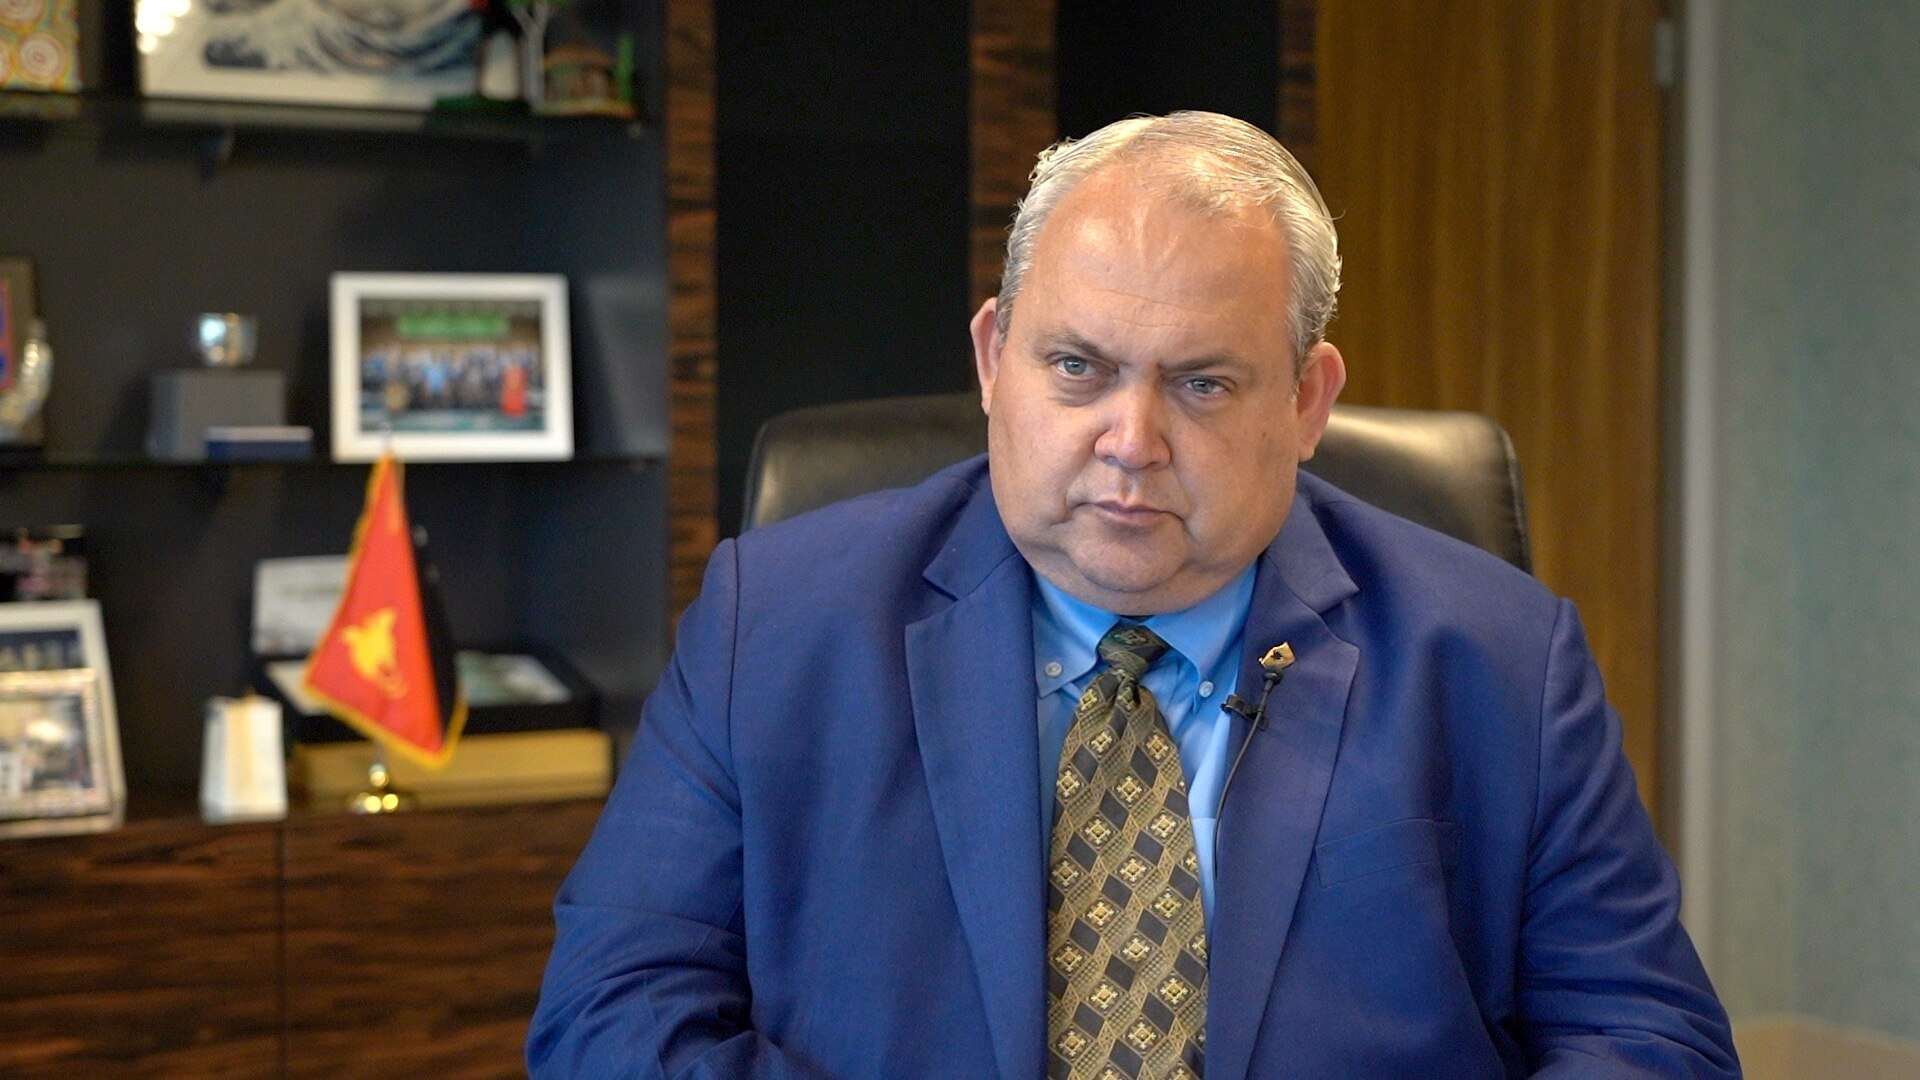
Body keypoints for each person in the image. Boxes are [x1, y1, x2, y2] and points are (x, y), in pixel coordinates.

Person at [528, 111, 1738, 1078]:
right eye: (1077, 367)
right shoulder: (774, 622)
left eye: (1204, 384)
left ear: (1308, 403)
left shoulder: (1501, 656)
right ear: (995, 359)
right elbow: (612, 1013)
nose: (1131, 439)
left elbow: (1647, 1034)